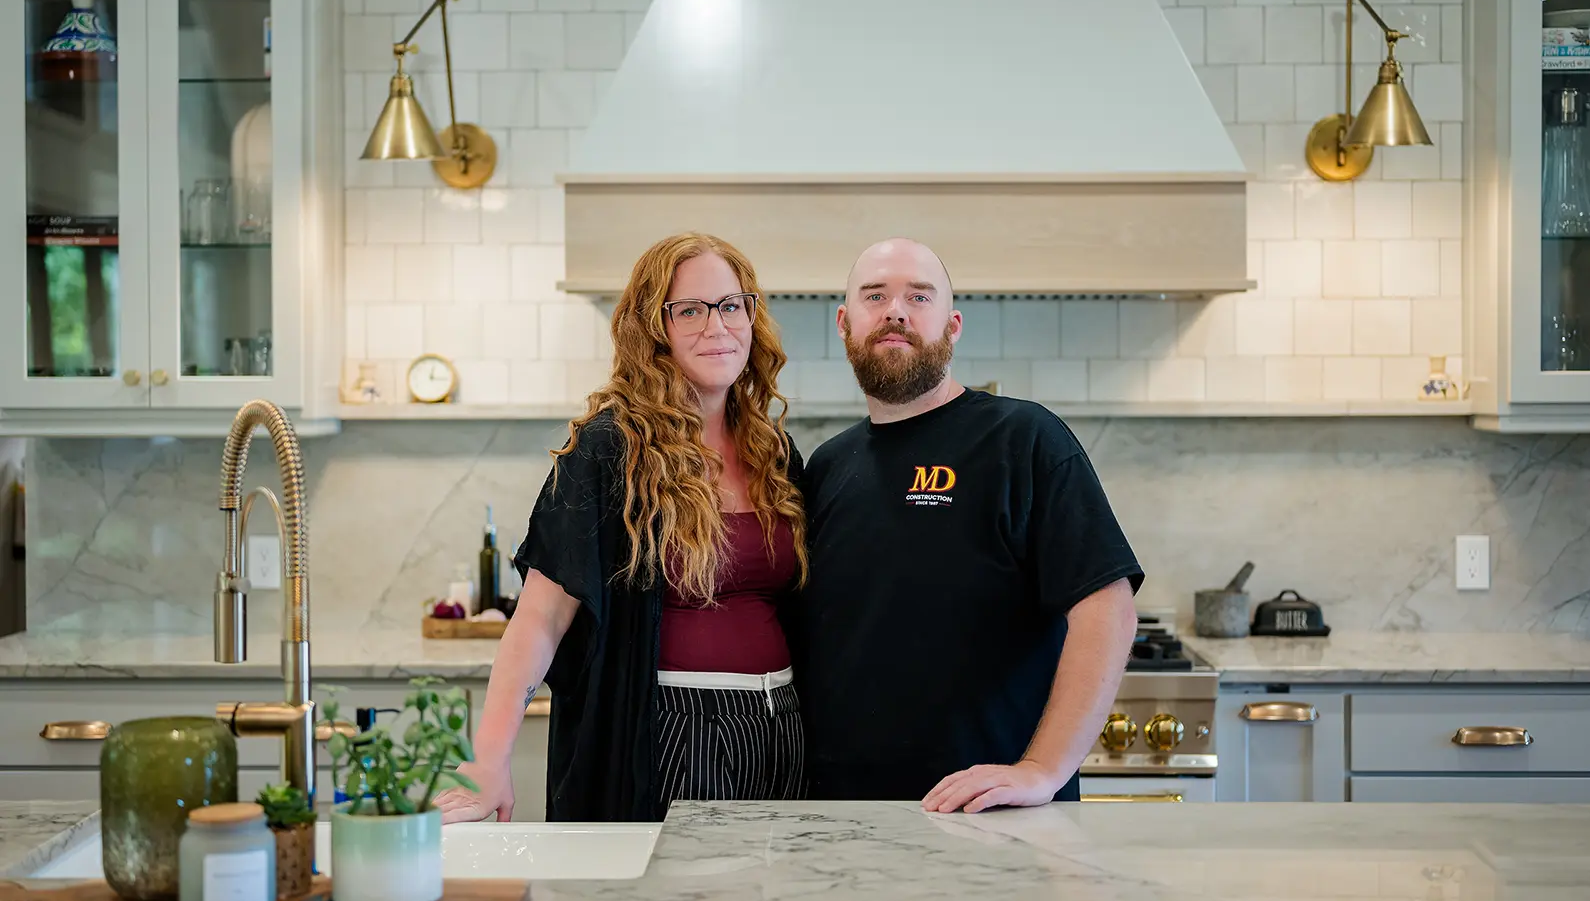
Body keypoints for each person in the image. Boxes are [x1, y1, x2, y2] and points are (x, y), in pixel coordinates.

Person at [436, 233, 809, 824]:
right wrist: (488, 760)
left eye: (731, 305)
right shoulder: (613, 450)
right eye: (689, 310)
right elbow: (539, 617)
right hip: (670, 733)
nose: (717, 327)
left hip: (780, 727)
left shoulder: (774, 452)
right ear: (652, 328)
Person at [795, 237, 1143, 814]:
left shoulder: (1024, 440)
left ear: (952, 325)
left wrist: (1042, 770)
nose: (895, 311)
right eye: (875, 295)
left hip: (989, 816)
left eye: (918, 296)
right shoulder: (829, 465)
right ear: (844, 322)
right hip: (845, 817)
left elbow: (1108, 610)